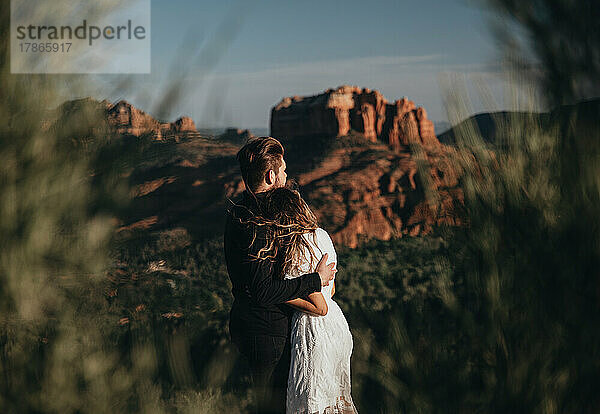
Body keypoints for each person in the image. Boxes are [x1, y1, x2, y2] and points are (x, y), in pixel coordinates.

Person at [224, 136, 336, 414]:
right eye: (283, 170)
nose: (286, 175)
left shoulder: (239, 209)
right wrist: (316, 280)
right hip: (267, 332)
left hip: (249, 324)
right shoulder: (256, 220)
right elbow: (263, 290)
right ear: (271, 175)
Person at [251, 187, 358, 414]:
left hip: (314, 334)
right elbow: (332, 290)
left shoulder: (296, 246)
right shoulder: (321, 235)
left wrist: (278, 295)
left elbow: (320, 307)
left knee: (311, 404)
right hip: (337, 327)